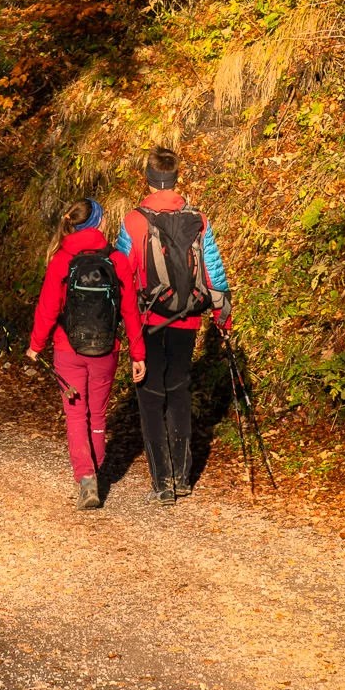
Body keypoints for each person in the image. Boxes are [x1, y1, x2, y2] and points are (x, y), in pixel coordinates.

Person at [115, 146, 231, 506]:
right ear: (176, 177)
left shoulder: (133, 221)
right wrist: (222, 316)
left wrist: (121, 321)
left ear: (147, 178)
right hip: (188, 316)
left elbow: (122, 273)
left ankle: (162, 482)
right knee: (179, 390)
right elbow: (213, 267)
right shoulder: (198, 219)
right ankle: (183, 478)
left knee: (150, 396)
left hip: (149, 319)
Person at [27, 197, 146, 511]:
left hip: (68, 349)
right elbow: (130, 311)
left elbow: (48, 307)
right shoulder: (117, 261)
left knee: (76, 414)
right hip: (105, 349)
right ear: (99, 223)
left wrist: (36, 344)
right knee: (98, 414)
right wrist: (138, 353)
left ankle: (86, 477)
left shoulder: (61, 261)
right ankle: (97, 468)